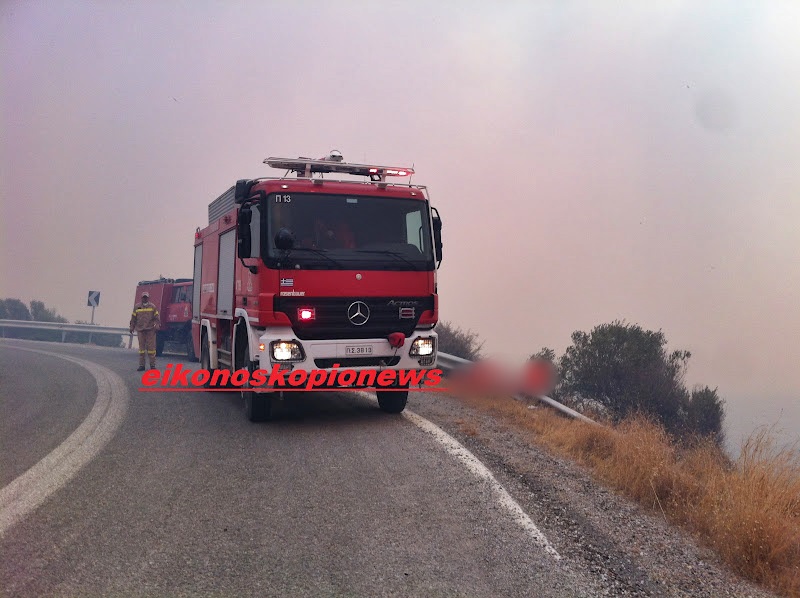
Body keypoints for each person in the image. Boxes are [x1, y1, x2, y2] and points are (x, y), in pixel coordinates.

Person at [129, 291, 161, 371]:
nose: (145, 298)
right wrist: (131, 327)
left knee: (151, 349)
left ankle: (152, 365)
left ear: (148, 298)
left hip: (150, 330)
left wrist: (157, 325)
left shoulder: (152, 307)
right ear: (141, 298)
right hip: (140, 330)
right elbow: (133, 318)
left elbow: (157, 317)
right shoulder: (137, 307)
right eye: (144, 297)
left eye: (146, 297)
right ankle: (141, 365)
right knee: (141, 349)